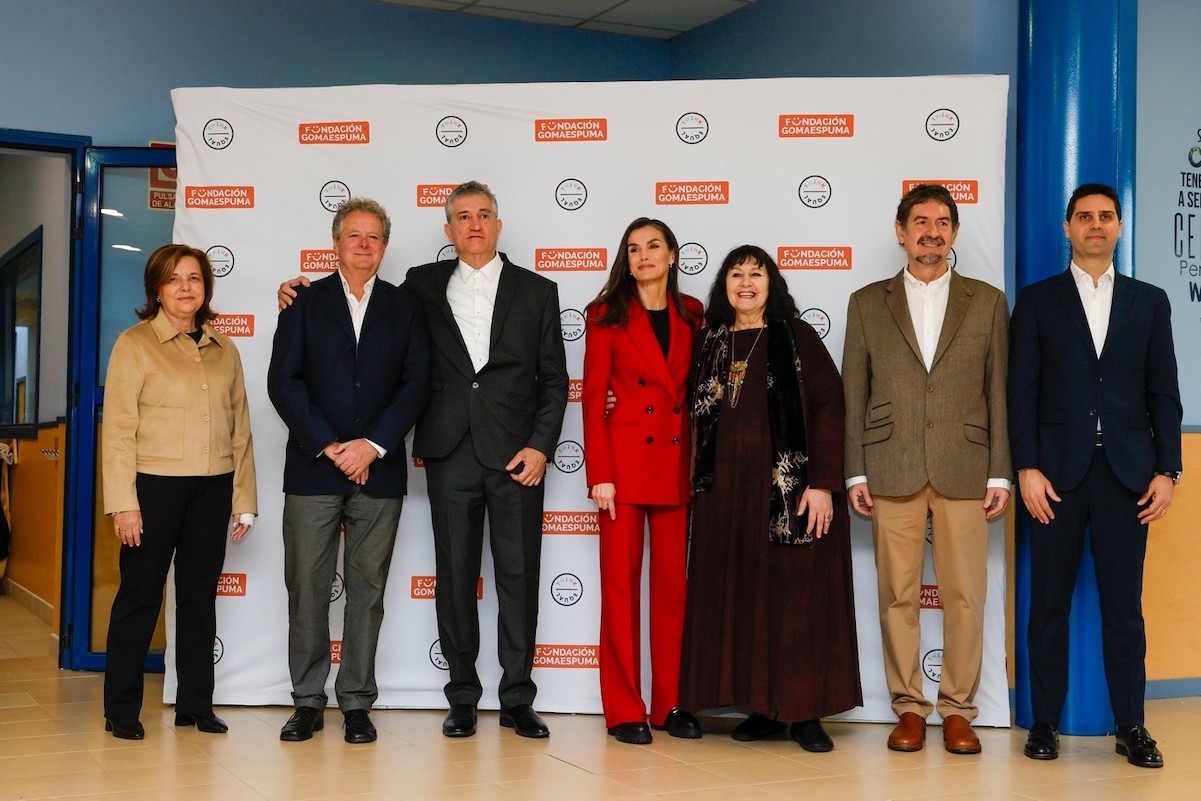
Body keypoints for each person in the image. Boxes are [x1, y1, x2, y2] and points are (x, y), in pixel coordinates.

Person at [279, 181, 568, 738]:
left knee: (520, 576)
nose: (475, 225)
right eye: (463, 217)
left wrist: (540, 446)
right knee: (454, 580)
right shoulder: (420, 287)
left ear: (499, 225)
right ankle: (462, 697)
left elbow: (554, 381)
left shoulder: (539, 291)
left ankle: (517, 698)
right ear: (448, 230)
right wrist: (293, 292)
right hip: (449, 452)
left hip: (517, 457)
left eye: (484, 215)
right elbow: (358, 318)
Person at [1009, 183, 1182, 768]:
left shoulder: (1150, 301)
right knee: (1049, 606)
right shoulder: (1037, 301)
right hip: (1054, 477)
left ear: (1119, 226)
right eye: (1084, 216)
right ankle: (1044, 724)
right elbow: (1021, 392)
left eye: (1106, 216)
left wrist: (1169, 470)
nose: (1096, 225)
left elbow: (1164, 391)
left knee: (1123, 609)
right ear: (1068, 228)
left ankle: (1131, 725)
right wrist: (1026, 468)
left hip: (1128, 478)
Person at [842, 184, 1010, 754]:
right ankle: (908, 707)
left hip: (968, 465)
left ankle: (959, 710)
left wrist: (1001, 472)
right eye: (920, 221)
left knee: (966, 595)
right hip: (891, 465)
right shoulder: (866, 302)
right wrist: (854, 471)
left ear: (955, 233)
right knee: (897, 595)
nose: (931, 231)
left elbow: (1000, 392)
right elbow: (852, 394)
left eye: (942, 222)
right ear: (900, 231)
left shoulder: (988, 301)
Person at [679, 245, 861, 752]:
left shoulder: (797, 337)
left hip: (789, 492)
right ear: (724, 286)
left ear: (771, 284)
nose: (745, 283)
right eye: (735, 274)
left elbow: (830, 408)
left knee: (795, 603)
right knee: (744, 600)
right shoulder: (709, 341)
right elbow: (677, 402)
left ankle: (803, 714)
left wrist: (824, 484)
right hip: (725, 500)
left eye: (755, 274)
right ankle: (761, 707)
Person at [268, 197, 431, 744]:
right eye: (354, 236)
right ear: (335, 243)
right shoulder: (303, 302)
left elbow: (416, 384)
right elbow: (283, 383)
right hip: (315, 469)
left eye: (374, 237)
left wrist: (375, 445)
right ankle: (308, 701)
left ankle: (357, 702)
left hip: (378, 472)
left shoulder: (404, 307)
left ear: (385, 246)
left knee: (367, 588)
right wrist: (332, 445)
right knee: (308, 589)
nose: (364, 245)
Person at [102, 244, 257, 740]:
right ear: (157, 289)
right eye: (174, 279)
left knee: (197, 599)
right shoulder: (135, 344)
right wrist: (124, 503)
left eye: (194, 278)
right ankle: (121, 710)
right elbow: (119, 431)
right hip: (153, 489)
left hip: (212, 488)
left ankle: (196, 705)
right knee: (140, 598)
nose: (186, 287)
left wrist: (244, 499)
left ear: (206, 287)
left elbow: (241, 430)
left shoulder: (224, 347)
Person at [582, 218, 704, 745]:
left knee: (673, 591)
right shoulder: (605, 314)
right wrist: (600, 477)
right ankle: (624, 708)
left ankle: (670, 703)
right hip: (624, 470)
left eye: (654, 246)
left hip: (677, 466)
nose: (644, 256)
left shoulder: (694, 313)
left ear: (673, 255)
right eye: (633, 249)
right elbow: (592, 399)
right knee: (620, 591)